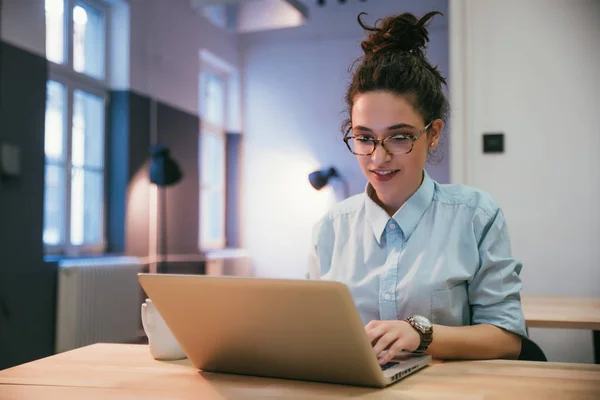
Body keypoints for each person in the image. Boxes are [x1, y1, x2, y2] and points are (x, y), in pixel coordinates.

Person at [308, 11, 527, 364]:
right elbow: (313, 332)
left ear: (434, 133)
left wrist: (422, 333)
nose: (378, 158)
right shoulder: (332, 228)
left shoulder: (475, 216)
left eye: (399, 137)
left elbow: (506, 339)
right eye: (364, 138)